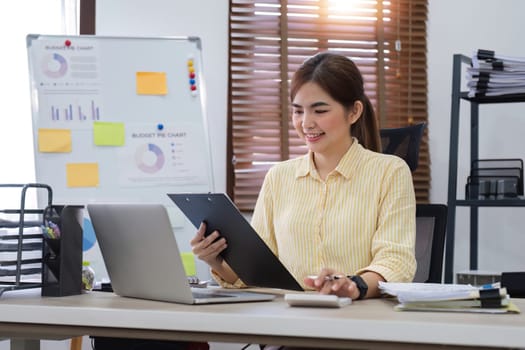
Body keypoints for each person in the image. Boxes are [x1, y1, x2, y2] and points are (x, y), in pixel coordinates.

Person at [191, 52, 416, 301]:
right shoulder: (279, 177)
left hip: (359, 320)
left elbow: (397, 261)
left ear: (354, 112)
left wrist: (354, 285)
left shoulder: (390, 172)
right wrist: (216, 259)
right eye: (298, 112)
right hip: (290, 319)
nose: (306, 123)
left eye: (319, 111)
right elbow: (255, 270)